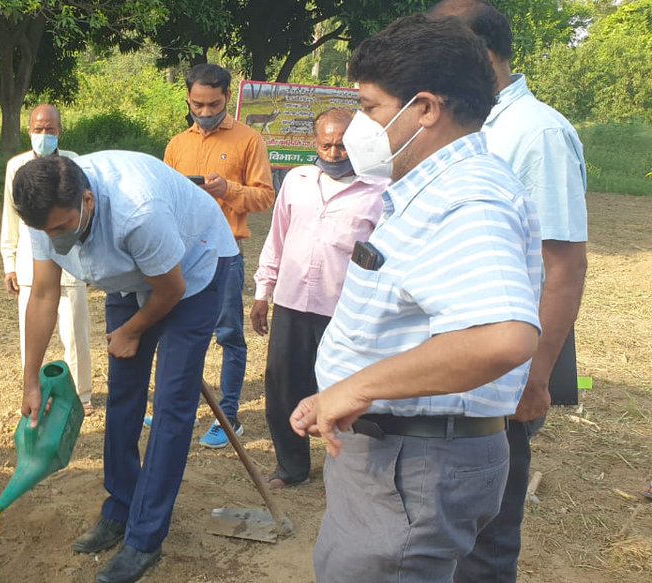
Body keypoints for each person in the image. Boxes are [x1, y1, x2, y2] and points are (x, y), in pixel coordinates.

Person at [288, 15, 543, 581]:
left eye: (370, 107)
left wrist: (355, 387)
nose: (359, 126)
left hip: (414, 468)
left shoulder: (466, 198)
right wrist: (340, 389)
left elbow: (501, 337)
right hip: (403, 459)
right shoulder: (434, 189)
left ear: (425, 108)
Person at [12, 151, 238, 583]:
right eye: (45, 231)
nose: (54, 238)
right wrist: (30, 381)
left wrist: (133, 330)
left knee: (171, 405)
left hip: (191, 269)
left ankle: (145, 537)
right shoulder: (44, 211)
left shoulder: (138, 211)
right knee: (123, 394)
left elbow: (171, 289)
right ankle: (121, 505)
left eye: (61, 228)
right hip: (127, 274)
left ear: (87, 201)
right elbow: (42, 294)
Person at [428, 2, 590, 581]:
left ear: (481, 54)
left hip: (508, 363)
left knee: (487, 534)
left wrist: (536, 378)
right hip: (459, 348)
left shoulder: (535, 132)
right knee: (449, 513)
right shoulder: (461, 124)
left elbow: (562, 265)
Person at [250, 108, 387, 490]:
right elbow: (277, 238)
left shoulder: (378, 192)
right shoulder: (297, 181)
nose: (333, 153)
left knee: (347, 387)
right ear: (315, 143)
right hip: (292, 303)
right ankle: (291, 467)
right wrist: (263, 292)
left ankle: (350, 467)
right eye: (326, 145)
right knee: (283, 386)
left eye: (342, 146)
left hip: (345, 309)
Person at [161, 63, 274, 448]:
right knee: (178, 331)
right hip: (181, 254)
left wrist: (228, 190)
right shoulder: (177, 144)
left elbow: (265, 196)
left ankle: (228, 417)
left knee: (228, 334)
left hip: (225, 254)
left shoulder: (249, 140)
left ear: (227, 96)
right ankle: (176, 406)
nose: (205, 112)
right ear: (188, 99)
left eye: (213, 104)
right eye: (198, 105)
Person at [0, 103, 92, 412]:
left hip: (72, 261)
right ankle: (33, 391)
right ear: (29, 131)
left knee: (76, 334)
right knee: (32, 333)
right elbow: (10, 218)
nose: (43, 135)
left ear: (60, 131)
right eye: (38, 129)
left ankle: (81, 395)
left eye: (50, 129)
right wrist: (9, 262)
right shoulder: (16, 166)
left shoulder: (74, 163)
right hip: (32, 264)